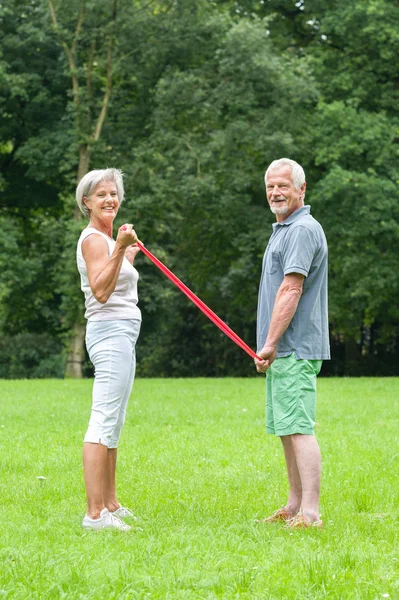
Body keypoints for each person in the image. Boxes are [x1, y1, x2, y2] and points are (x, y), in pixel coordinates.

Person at [255, 158, 330, 529]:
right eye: (270, 186)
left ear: (302, 189)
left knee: (299, 426)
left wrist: (270, 342)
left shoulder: (301, 229)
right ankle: (294, 505)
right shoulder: (283, 228)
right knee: (286, 427)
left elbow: (291, 288)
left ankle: (311, 514)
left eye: (283, 185)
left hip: (294, 347)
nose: (275, 192)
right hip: (284, 349)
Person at [76, 168, 142, 531]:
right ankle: (95, 514)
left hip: (122, 332)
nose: (110, 199)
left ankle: (111, 503)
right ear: (87, 202)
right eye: (100, 194)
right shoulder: (93, 239)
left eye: (114, 193)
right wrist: (118, 247)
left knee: (114, 421)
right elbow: (100, 293)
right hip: (110, 332)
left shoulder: (104, 241)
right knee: (102, 418)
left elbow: (110, 280)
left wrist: (125, 255)